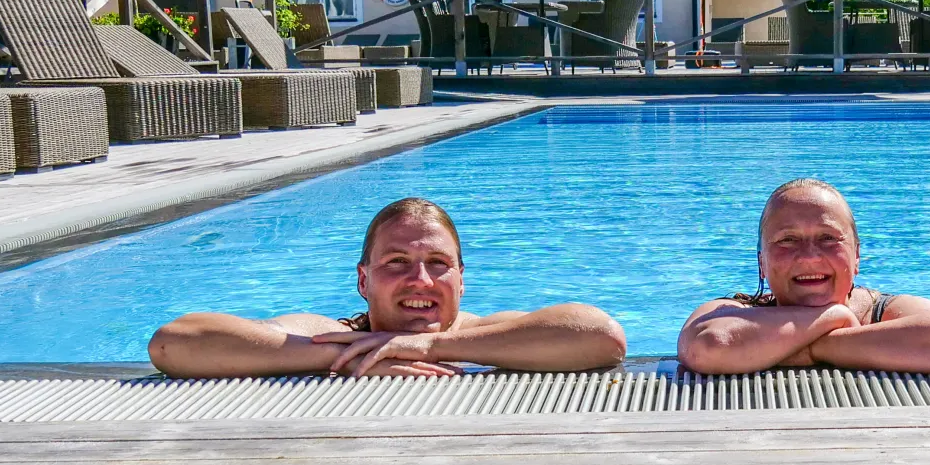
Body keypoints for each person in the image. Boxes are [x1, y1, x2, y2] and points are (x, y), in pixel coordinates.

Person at [149, 197, 626, 378]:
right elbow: (175, 342)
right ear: (363, 280)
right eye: (397, 262)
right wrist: (357, 354)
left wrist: (430, 345)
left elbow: (603, 337)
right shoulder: (326, 333)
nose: (420, 280)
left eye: (438, 264)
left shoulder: (488, 333)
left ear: (462, 280)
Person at [677, 178, 930, 374]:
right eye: (787, 240)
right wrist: (833, 315)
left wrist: (813, 345)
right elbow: (707, 348)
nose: (809, 256)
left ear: (857, 255)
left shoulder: (884, 311)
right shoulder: (736, 311)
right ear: (761, 263)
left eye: (828, 238)